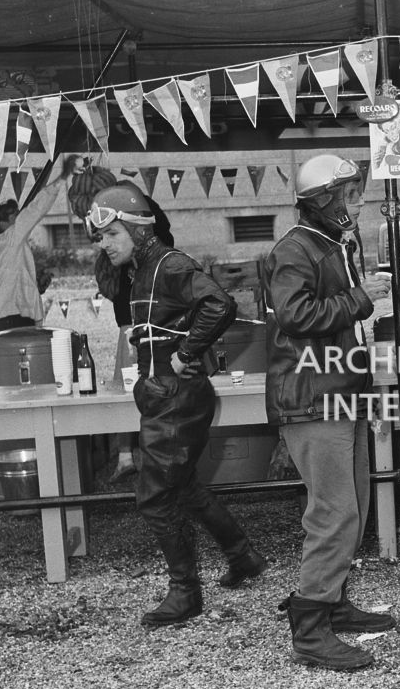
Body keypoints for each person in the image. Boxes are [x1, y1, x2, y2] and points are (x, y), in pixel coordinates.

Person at [86, 182, 267, 628]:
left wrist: (186, 353)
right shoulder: (143, 270)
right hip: (164, 394)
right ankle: (242, 556)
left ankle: (185, 592)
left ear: (138, 230)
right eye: (102, 237)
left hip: (176, 396)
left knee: (154, 497)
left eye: (112, 234)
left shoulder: (169, 264)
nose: (105, 244)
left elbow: (219, 303)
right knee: (184, 487)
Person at [263, 153, 396, 672]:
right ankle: (311, 627)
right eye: (350, 196)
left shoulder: (330, 245)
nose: (358, 205)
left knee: (352, 505)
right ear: (325, 200)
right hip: (313, 398)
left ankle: (333, 601)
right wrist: (360, 300)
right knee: (334, 512)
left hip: (337, 392)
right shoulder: (295, 250)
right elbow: (295, 316)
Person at [82, 167, 175, 483]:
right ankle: (126, 457)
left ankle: (147, 458)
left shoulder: (159, 253)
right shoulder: (124, 248)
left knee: (153, 392)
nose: (106, 242)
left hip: (152, 329)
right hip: (130, 325)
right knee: (127, 390)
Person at [0, 156, 73, 334]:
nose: (21, 215)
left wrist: (35, 287)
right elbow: (36, 208)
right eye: (14, 214)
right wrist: (63, 176)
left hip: (7, 317)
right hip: (13, 317)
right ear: (3, 224)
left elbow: (12, 281)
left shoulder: (2, 247)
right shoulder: (11, 237)